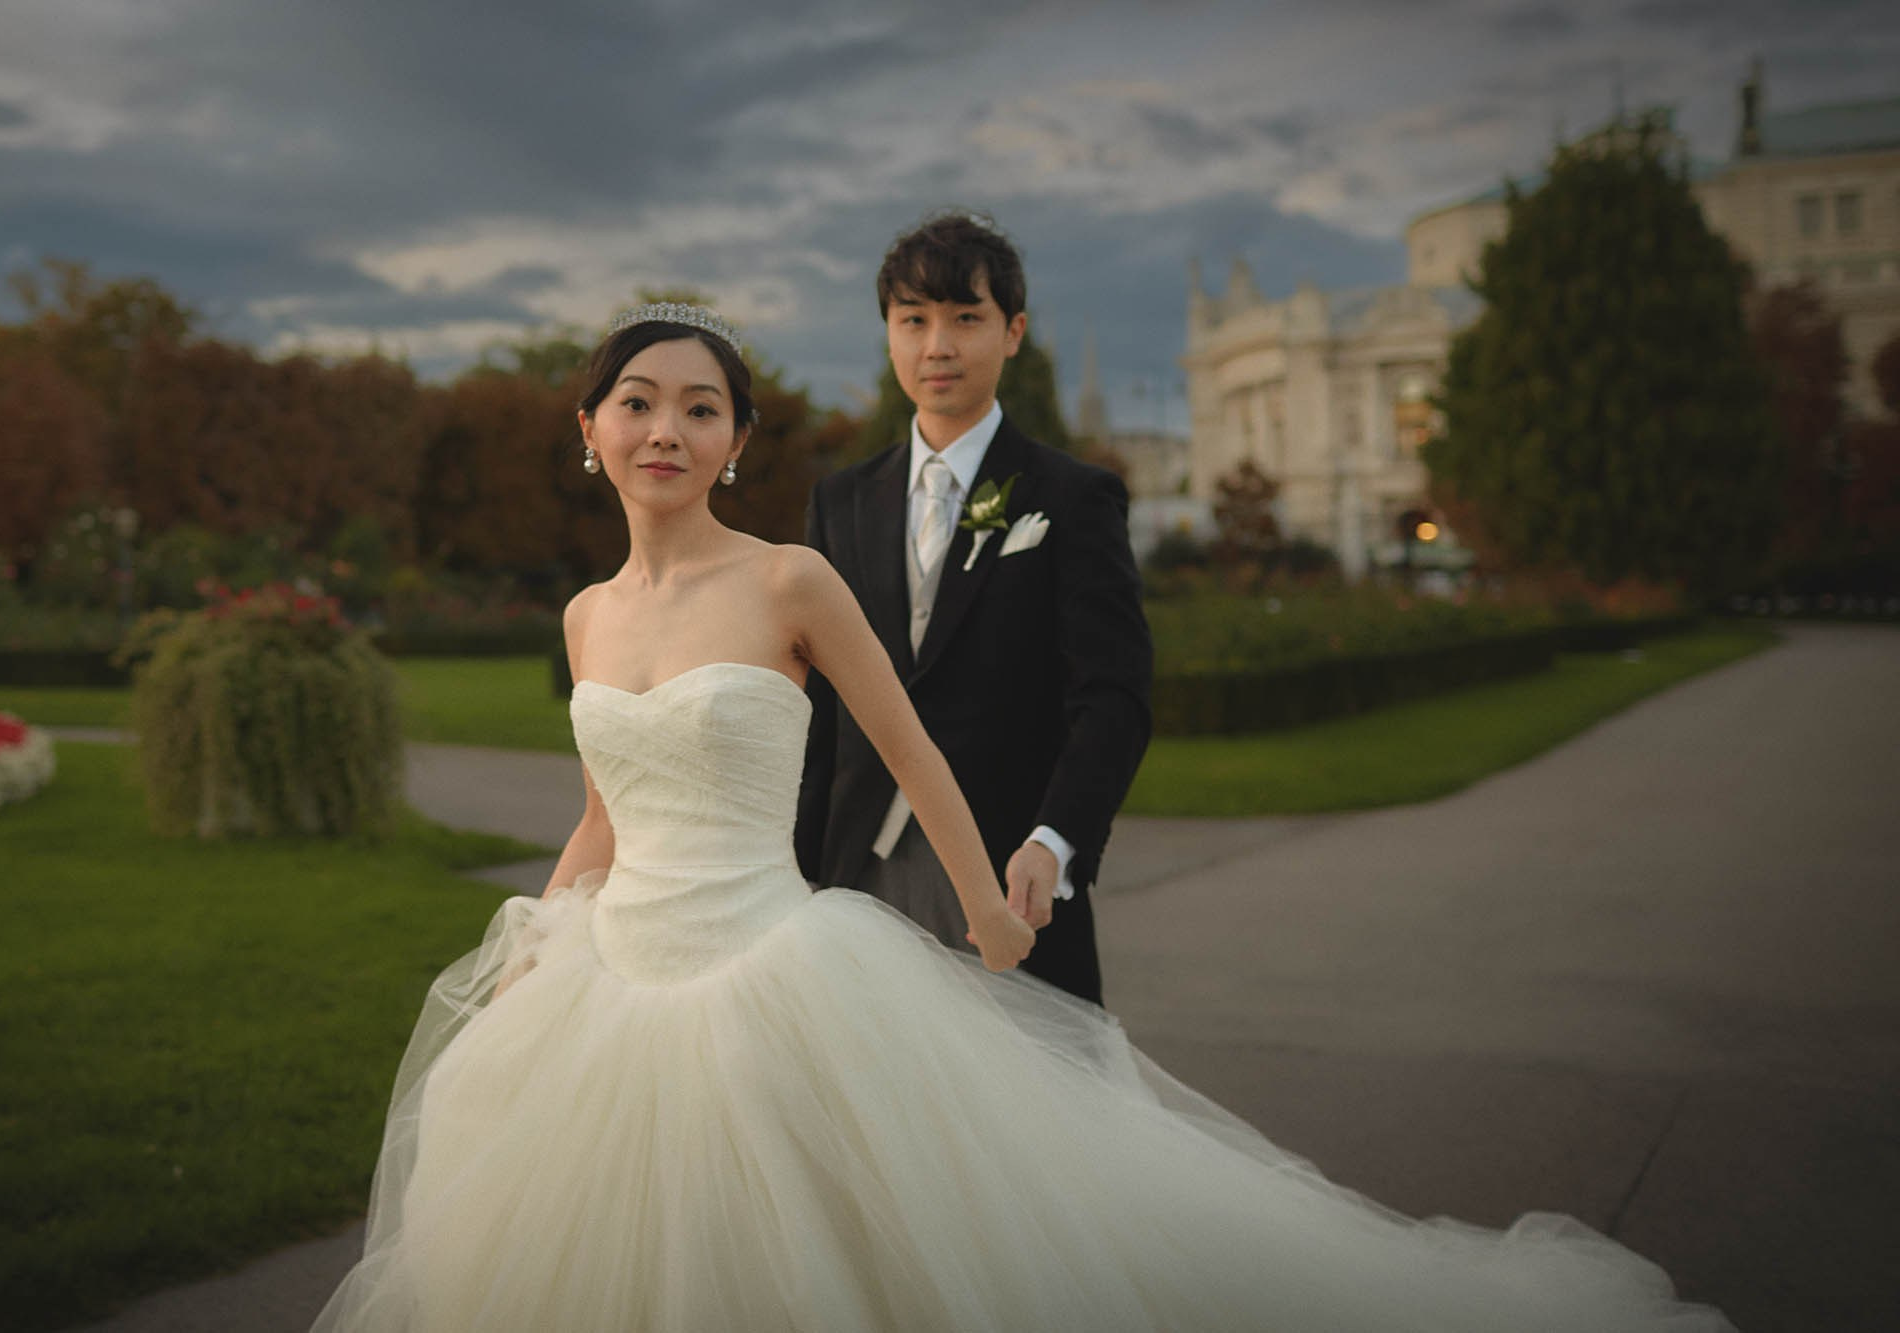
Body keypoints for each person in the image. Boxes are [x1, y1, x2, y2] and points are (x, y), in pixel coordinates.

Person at [312, 303, 1733, 1332]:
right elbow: (605, 813)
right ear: (589, 430)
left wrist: (992, 906)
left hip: (769, 971)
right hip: (609, 983)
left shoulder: (790, 580)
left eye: (700, 407)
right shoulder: (585, 614)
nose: (665, 429)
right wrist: (539, 933)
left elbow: (911, 746)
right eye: (637, 402)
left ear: (736, 440)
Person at [795, 211, 1150, 1006]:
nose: (937, 346)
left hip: (1008, 874)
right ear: (889, 333)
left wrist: (1054, 840)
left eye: (965, 318)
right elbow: (819, 710)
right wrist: (796, 867)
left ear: (1013, 331)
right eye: (913, 320)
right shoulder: (839, 502)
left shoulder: (1073, 497)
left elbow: (1113, 698)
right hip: (854, 874)